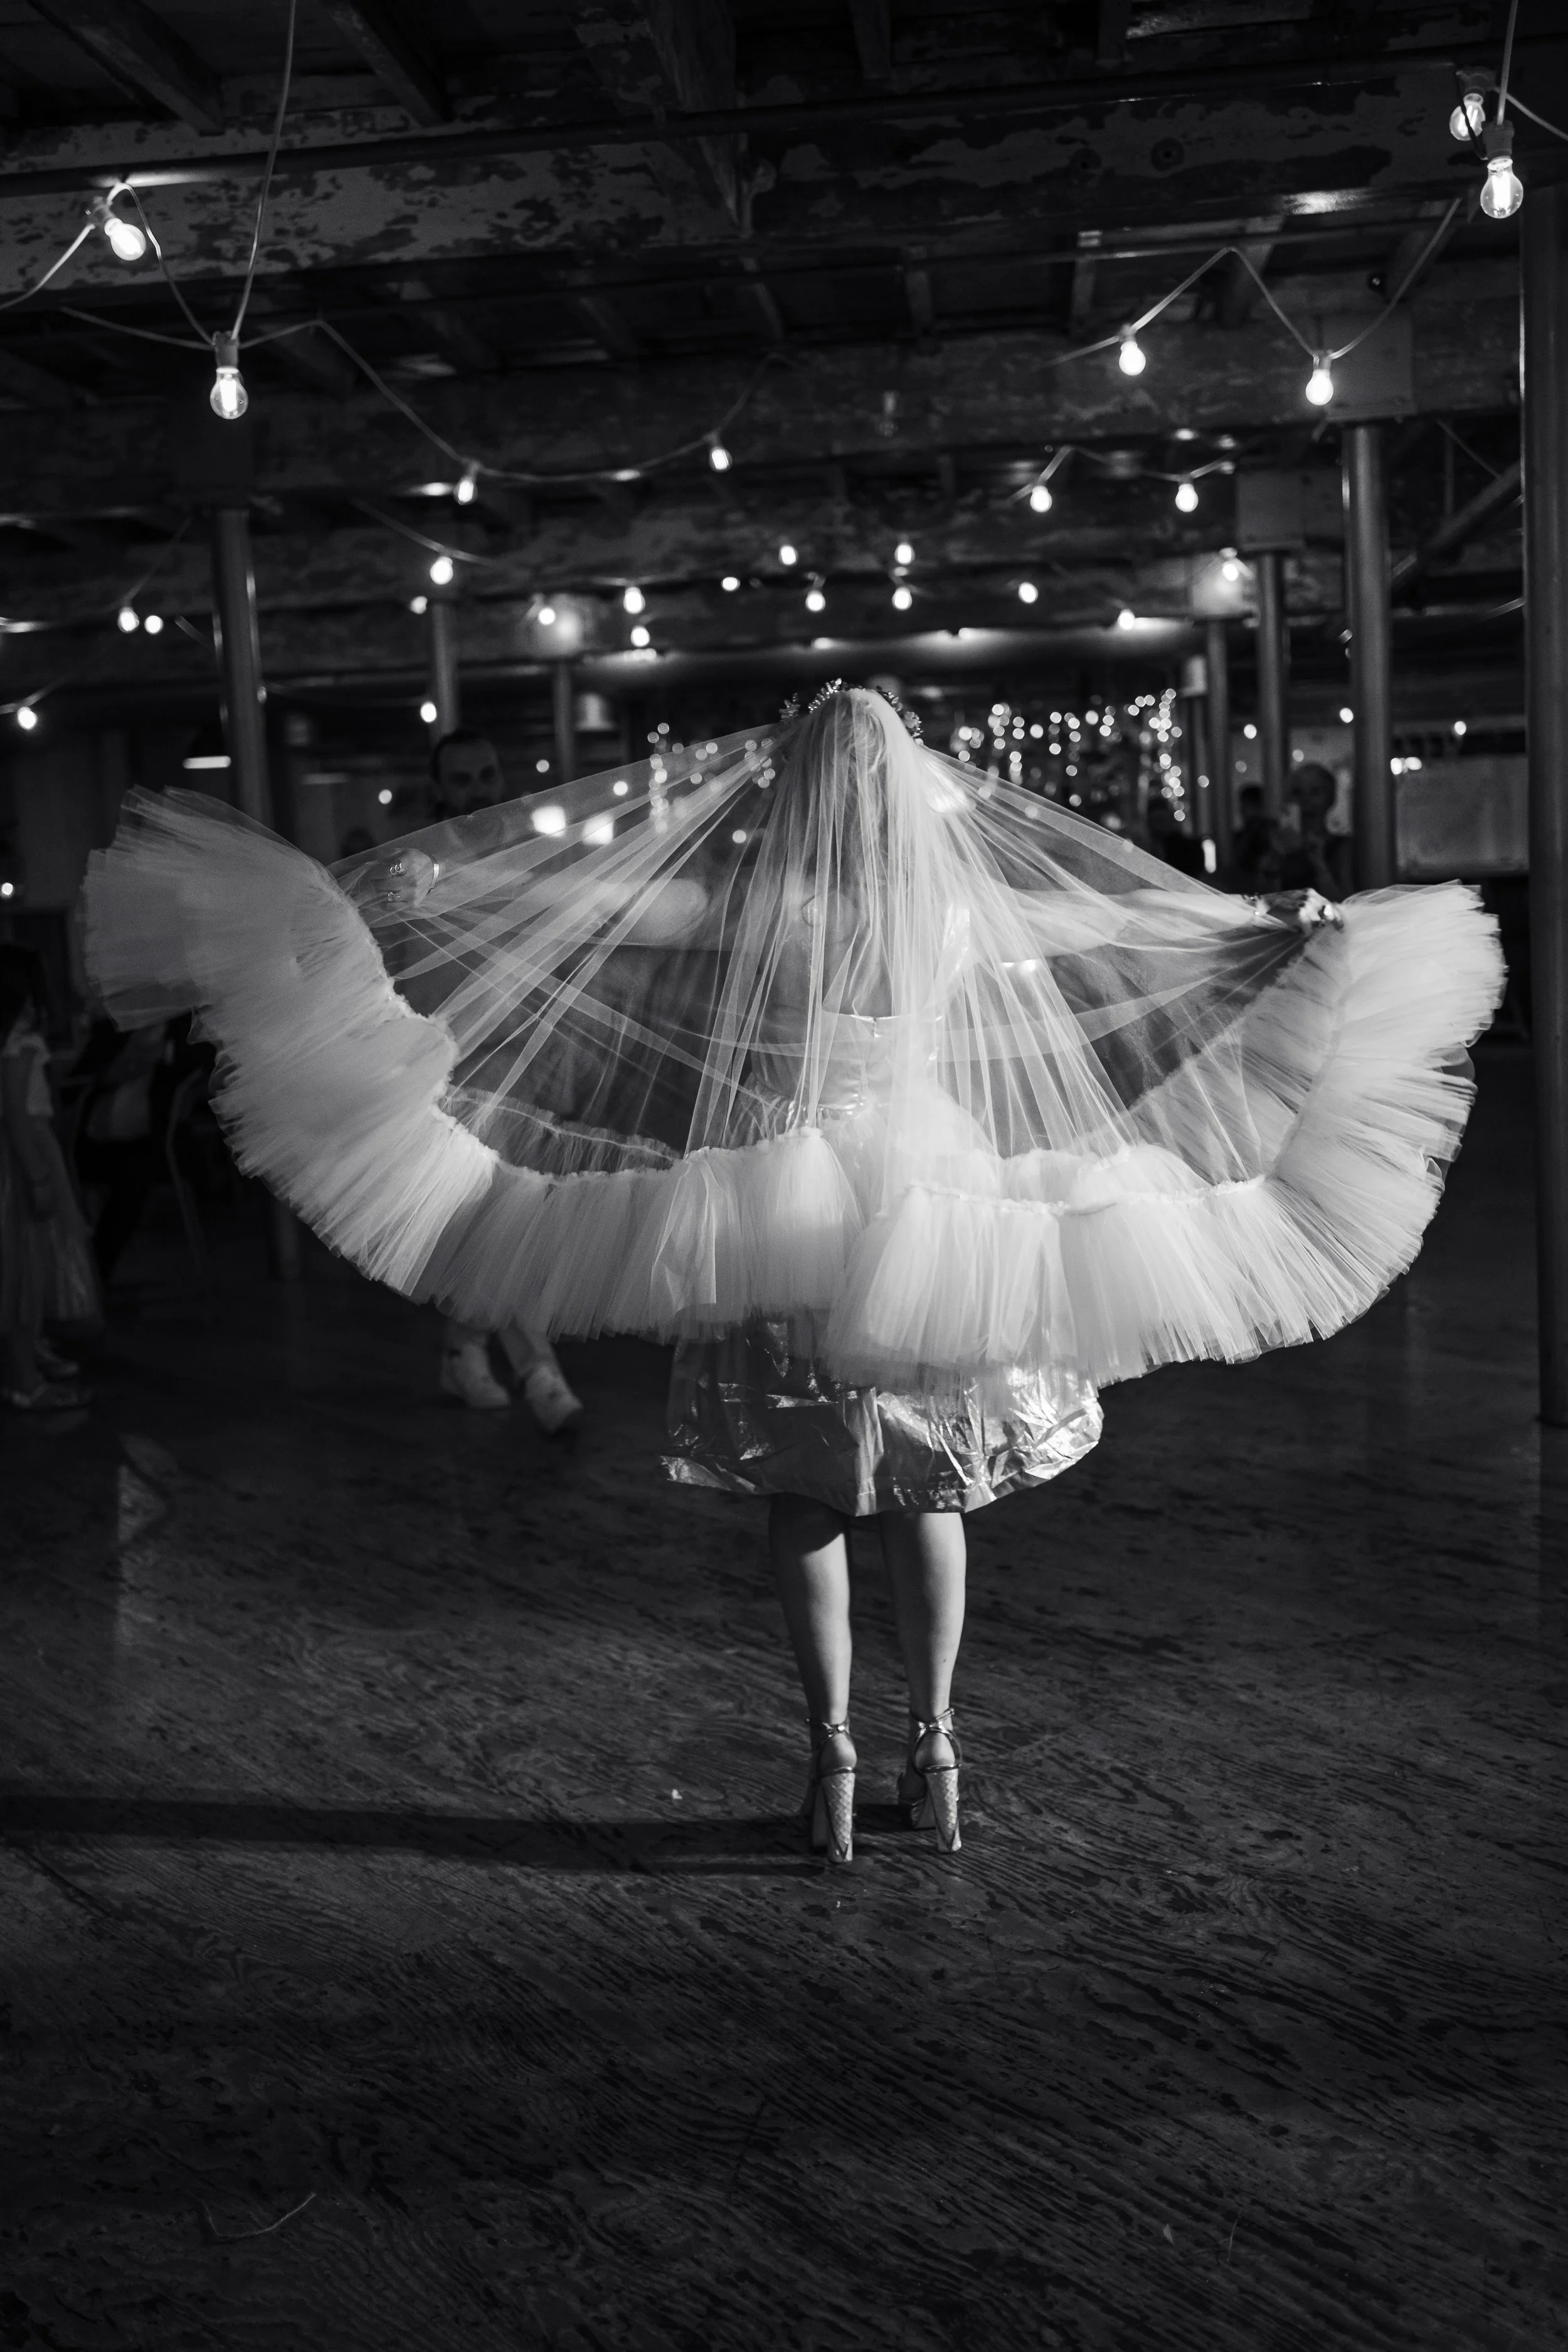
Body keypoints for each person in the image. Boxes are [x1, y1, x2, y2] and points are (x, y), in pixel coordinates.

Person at [82, 689, 1503, 1862]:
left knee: (804, 1497)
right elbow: (1129, 927)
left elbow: (594, 899)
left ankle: (827, 1761)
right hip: (940, 1215)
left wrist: (443, 881)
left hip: (775, 1212)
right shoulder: (957, 909)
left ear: (792, 784)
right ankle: (933, 1749)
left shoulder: (751, 901)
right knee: (931, 1496)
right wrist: (1273, 913)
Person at [426, 729, 582, 1429]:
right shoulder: (424, 869)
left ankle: (462, 1352)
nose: (478, 790)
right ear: (440, 789)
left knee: (506, 1224)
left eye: (487, 773)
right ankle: (538, 1372)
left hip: (535, 1065)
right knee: (500, 1224)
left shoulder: (532, 856)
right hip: (461, 1073)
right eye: (462, 780)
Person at [0, 946, 98, 1409]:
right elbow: (17, 1116)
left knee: (25, 1265)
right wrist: (39, 1177)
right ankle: (25, 1381)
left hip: (23, 1155)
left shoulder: (14, 1039)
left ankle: (29, 1355)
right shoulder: (20, 1042)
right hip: (25, 1158)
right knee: (25, 1267)